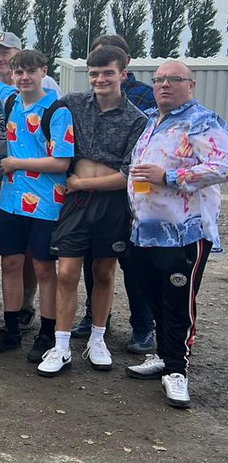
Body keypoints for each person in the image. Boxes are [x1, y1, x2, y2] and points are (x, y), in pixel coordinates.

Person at [124, 60, 228, 408]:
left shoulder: (203, 121)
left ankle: (176, 369)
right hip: (145, 229)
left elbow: (221, 166)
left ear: (191, 84)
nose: (164, 85)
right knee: (153, 294)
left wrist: (167, 177)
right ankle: (164, 354)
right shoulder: (153, 118)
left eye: (173, 80)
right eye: (159, 80)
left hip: (184, 232)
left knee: (179, 300)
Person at [37, 45, 146, 376]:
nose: (100, 79)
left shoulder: (137, 119)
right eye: (94, 73)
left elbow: (128, 176)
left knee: (103, 271)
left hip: (111, 204)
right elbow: (45, 124)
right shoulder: (71, 103)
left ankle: (97, 339)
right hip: (75, 204)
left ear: (122, 75)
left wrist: (82, 183)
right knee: (67, 272)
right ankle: (61, 346)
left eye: (107, 73)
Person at [0, 48, 74, 355]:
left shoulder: (57, 111)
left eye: (30, 71)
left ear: (43, 72)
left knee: (42, 267)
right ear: (12, 74)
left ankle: (47, 333)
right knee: (10, 262)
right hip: (10, 201)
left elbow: (61, 162)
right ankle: (10, 329)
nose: (24, 77)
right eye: (18, 72)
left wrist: (17, 163)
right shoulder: (9, 99)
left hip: (46, 202)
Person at [68, 34, 156, 352]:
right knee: (97, 261)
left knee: (134, 264)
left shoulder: (144, 99)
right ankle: (94, 318)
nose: (100, 75)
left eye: (108, 66)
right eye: (95, 64)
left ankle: (143, 325)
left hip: (134, 193)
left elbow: (147, 151)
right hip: (92, 199)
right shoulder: (80, 101)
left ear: (124, 65)